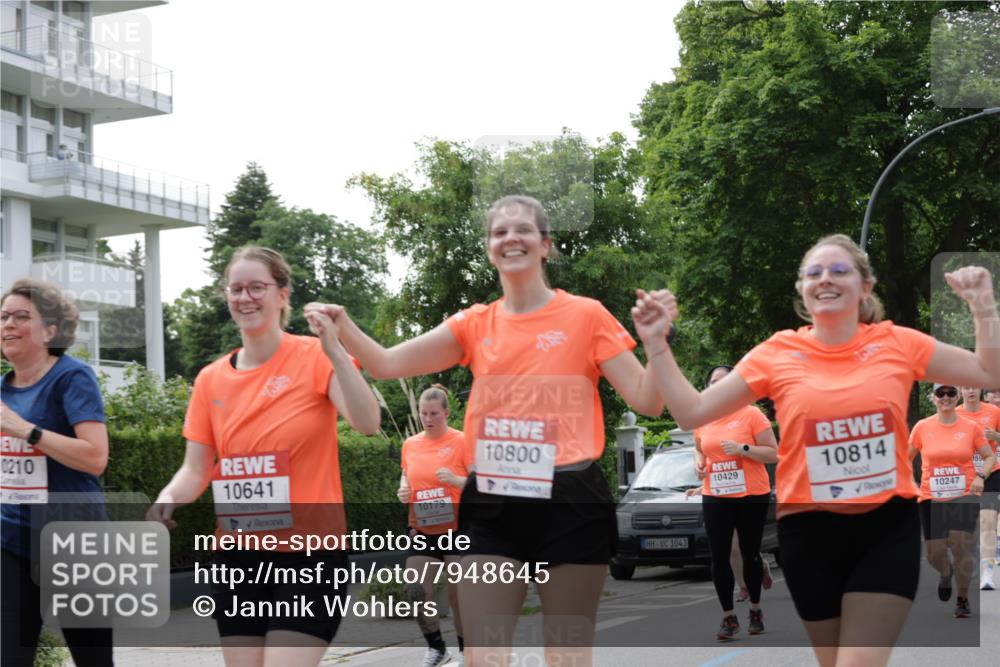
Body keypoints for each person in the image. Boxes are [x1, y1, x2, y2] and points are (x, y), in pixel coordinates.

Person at [306, 195, 669, 667]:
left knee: (567, 656)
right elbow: (387, 363)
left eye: (523, 230)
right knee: (484, 657)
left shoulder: (586, 315)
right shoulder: (475, 324)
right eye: (499, 232)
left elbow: (648, 399)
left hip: (571, 498)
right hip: (494, 499)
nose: (510, 238)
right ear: (489, 247)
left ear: (546, 246)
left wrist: (657, 343)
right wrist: (343, 325)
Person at [632, 233, 999, 667]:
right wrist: (656, 345)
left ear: (866, 287)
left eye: (839, 270)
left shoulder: (897, 342)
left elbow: (985, 371)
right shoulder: (777, 352)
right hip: (808, 530)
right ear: (802, 290)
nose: (826, 278)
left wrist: (983, 307)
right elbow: (692, 412)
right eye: (814, 272)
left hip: (884, 527)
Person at [146, 246, 380, 667]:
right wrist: (168, 497)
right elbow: (195, 467)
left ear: (282, 295)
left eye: (257, 287)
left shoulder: (314, 356)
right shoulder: (210, 379)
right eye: (236, 288)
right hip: (238, 558)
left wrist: (336, 351)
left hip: (311, 558)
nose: (245, 297)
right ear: (226, 296)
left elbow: (367, 422)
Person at [1, 278, 112, 667]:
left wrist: (26, 431)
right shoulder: (2, 388)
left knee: (92, 659)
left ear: (50, 330)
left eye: (20, 317)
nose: (7, 325)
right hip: (12, 538)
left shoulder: (71, 377)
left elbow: (95, 457)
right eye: (2, 317)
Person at [692, 364, 778, 640]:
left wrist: (744, 449)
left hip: (751, 493)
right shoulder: (702, 418)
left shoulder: (752, 415)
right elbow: (698, 449)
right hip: (716, 494)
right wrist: (699, 466)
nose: (718, 385)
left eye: (725, 381)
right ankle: (728, 617)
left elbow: (772, 454)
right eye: (713, 381)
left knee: (750, 552)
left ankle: (755, 609)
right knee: (719, 554)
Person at [908, 383, 994, 618]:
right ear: (933, 398)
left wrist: (980, 476)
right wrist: (909, 483)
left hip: (963, 494)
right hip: (930, 496)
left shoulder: (971, 427)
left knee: (961, 546)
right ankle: (945, 573)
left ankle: (963, 599)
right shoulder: (922, 427)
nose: (945, 397)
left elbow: (989, 456)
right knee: (935, 554)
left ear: (957, 397)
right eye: (940, 394)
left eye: (950, 393)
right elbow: (905, 458)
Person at [397, 385, 468, 667]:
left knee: (458, 594)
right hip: (422, 530)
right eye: (424, 413)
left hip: (457, 530)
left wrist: (455, 480)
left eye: (434, 414)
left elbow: (480, 484)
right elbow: (406, 475)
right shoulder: (411, 444)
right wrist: (403, 489)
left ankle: (465, 650)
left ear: (446, 413)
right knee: (416, 590)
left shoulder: (463, 441)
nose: (428, 419)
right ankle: (437, 648)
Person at [955, 386, 1000, 590]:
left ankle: (988, 572)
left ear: (980, 390)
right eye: (966, 387)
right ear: (960, 391)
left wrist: (997, 438)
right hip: (964, 474)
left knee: (987, 520)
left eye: (974, 387)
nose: (970, 391)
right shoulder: (954, 413)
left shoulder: (994, 411)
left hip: (991, 471)